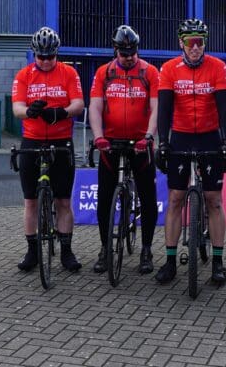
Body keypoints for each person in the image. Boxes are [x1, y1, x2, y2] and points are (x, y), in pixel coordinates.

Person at [154, 18, 226, 286]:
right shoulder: (168, 69)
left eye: (200, 42)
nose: (196, 47)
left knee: (214, 199)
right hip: (181, 136)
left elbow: (224, 108)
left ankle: (219, 262)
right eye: (190, 42)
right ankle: (170, 260)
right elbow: (164, 109)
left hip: (210, 136)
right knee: (175, 198)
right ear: (181, 43)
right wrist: (162, 142)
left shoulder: (218, 67)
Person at [11, 27, 85, 273]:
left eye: (49, 56)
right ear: (34, 54)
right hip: (32, 140)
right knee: (30, 201)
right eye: (40, 57)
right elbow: (17, 108)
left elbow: (78, 104)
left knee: (63, 200)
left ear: (56, 53)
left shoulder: (69, 72)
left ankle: (66, 251)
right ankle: (32, 251)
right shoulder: (23, 75)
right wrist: (29, 112)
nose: (44, 61)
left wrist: (63, 111)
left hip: (61, 140)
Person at [88, 25, 160, 275]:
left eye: (132, 52)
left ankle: (147, 249)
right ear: (115, 50)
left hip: (140, 145)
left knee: (149, 198)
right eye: (123, 52)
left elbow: (155, 107)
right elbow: (95, 107)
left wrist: (150, 136)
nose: (128, 56)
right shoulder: (103, 73)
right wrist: (98, 137)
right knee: (105, 200)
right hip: (111, 143)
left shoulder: (149, 72)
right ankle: (105, 249)